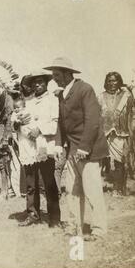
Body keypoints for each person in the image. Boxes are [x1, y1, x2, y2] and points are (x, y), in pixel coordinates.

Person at [44, 57, 108, 241]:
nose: (54, 78)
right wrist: (58, 144)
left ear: (67, 73)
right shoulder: (61, 94)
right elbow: (61, 123)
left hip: (89, 150)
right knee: (72, 190)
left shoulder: (85, 89)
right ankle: (74, 226)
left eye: (57, 75)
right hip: (73, 149)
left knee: (92, 190)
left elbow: (93, 121)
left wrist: (85, 147)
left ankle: (98, 230)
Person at [13, 71, 61, 227]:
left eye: (40, 82)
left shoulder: (53, 100)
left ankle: (54, 218)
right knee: (30, 183)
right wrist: (19, 123)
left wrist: (39, 129)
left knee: (48, 182)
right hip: (29, 147)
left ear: (46, 83)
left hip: (44, 145)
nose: (37, 85)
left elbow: (54, 124)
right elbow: (21, 119)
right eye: (34, 83)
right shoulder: (29, 101)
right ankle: (33, 213)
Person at [98, 72, 134, 196]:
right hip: (104, 133)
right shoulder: (100, 97)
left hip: (120, 133)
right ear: (106, 82)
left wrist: (131, 89)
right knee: (99, 161)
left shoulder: (126, 96)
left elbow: (132, 110)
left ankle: (118, 188)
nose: (112, 83)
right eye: (109, 81)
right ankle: (96, 187)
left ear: (119, 81)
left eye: (115, 80)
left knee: (120, 161)